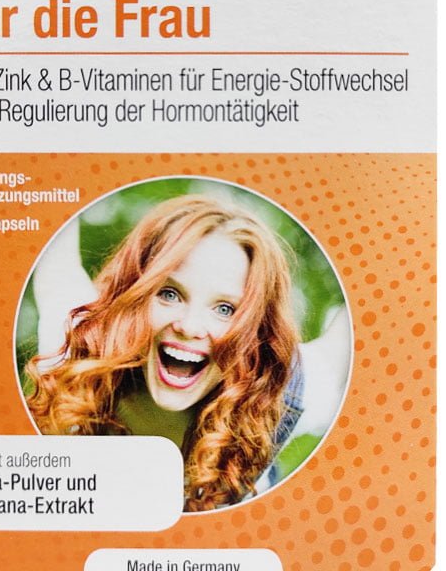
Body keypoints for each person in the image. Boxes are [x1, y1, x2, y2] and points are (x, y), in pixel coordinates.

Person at [24, 194, 349, 511]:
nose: (190, 327)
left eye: (225, 309)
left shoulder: (281, 391)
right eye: (169, 293)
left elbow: (357, 327)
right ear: (134, 297)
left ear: (256, 335)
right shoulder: (81, 347)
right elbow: (54, 252)